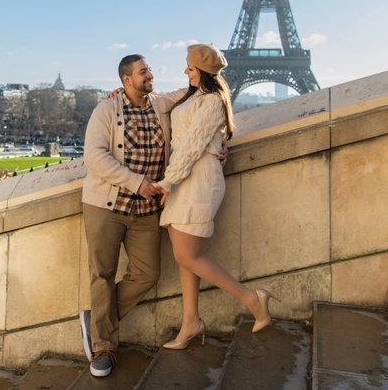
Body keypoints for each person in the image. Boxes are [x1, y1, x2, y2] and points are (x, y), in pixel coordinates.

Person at [157, 43, 273, 350]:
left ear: (203, 72)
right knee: (185, 256)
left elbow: (194, 146)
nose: (185, 71)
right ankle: (191, 322)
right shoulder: (192, 96)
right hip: (184, 177)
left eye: (190, 67)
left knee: (187, 255)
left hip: (197, 179)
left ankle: (252, 299)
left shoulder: (212, 102)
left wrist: (167, 182)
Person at [78, 54, 186, 377]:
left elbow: (194, 97)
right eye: (144, 71)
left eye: (149, 69)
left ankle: (98, 319)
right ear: (127, 80)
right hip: (106, 206)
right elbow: (94, 156)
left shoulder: (160, 104)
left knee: (148, 273)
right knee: (103, 273)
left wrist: (220, 140)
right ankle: (103, 345)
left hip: (145, 210)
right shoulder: (106, 109)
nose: (150, 74)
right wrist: (137, 183)